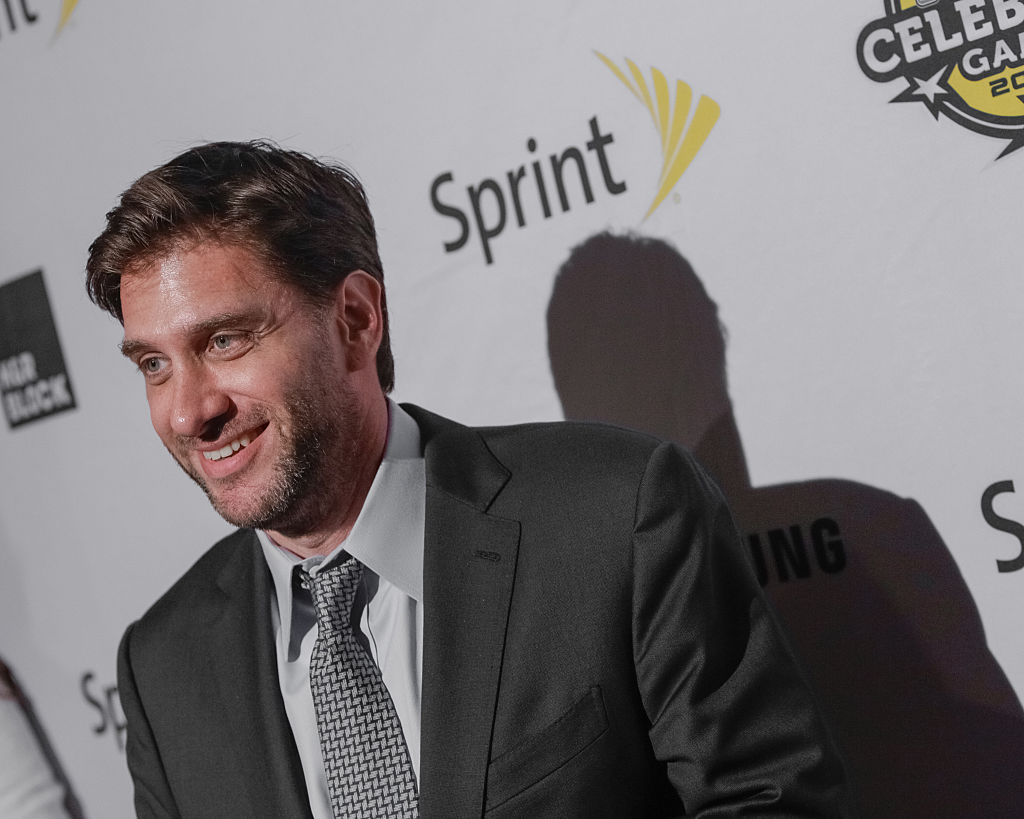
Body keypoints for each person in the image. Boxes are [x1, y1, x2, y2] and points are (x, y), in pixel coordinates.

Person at [87, 140, 851, 818]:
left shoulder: (617, 518)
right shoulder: (163, 670)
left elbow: (771, 800)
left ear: (355, 319)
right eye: (154, 364)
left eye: (224, 340)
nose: (188, 411)